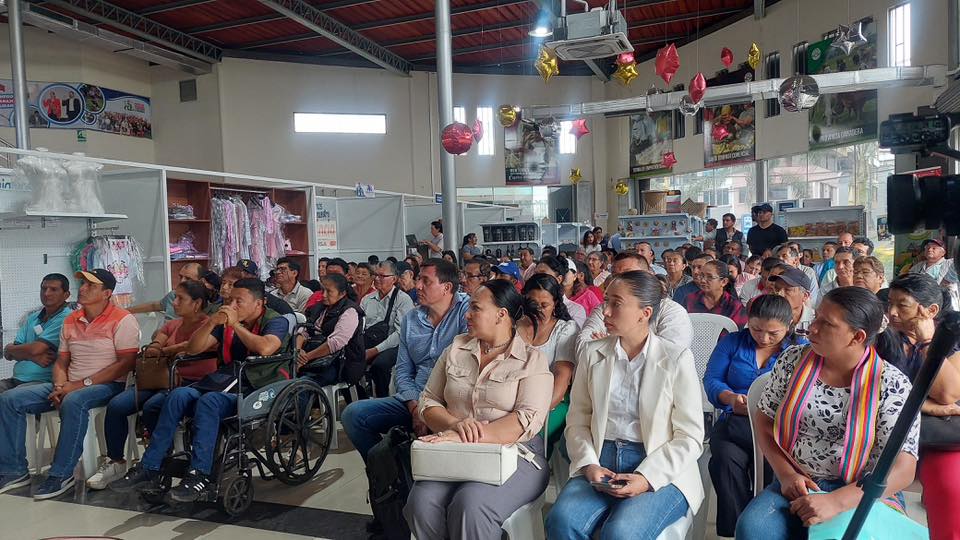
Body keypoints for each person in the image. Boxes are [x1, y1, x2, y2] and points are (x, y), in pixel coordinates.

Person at [736, 287, 920, 540]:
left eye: (827, 324)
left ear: (857, 336)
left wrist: (837, 501)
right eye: (816, 318)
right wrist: (787, 475)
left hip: (862, 490)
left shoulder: (891, 384)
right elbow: (764, 420)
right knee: (753, 530)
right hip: (799, 481)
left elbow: (904, 468)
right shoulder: (793, 360)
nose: (812, 328)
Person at [546, 271, 704, 540]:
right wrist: (588, 465)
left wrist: (646, 477)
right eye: (605, 301)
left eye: (616, 304)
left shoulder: (675, 358)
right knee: (561, 521)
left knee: (622, 533)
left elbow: (690, 436)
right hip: (601, 459)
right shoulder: (593, 353)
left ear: (645, 313)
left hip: (658, 462)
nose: (605, 312)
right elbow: (578, 421)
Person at [110, 278, 289, 500]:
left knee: (209, 401)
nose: (231, 305)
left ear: (258, 303)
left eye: (239, 301)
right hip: (224, 383)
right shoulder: (224, 323)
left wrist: (235, 325)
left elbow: (266, 348)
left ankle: (200, 474)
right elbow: (194, 349)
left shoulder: (276, 321)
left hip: (257, 387)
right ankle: (150, 466)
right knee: (177, 395)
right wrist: (211, 323)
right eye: (230, 300)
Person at [404, 279, 552, 540]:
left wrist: (461, 435)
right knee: (421, 503)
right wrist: (453, 425)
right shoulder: (456, 349)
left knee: (471, 505)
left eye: (475, 308)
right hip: (455, 452)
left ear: (501, 315)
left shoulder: (531, 360)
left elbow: (525, 420)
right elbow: (428, 401)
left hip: (515, 454)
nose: (467, 315)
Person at [0, 269, 139, 499]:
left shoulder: (123, 319)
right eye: (82, 284)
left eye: (90, 286)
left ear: (106, 293)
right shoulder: (71, 320)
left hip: (108, 384)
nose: (82, 289)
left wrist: (78, 385)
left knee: (74, 401)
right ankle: (14, 470)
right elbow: (61, 361)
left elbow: (125, 364)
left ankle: (61, 474)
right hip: (69, 384)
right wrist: (59, 386)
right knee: (9, 399)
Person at [89, 280, 217, 490]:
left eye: (180, 299)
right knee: (117, 405)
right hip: (158, 379)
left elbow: (192, 347)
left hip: (188, 383)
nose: (174, 303)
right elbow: (157, 341)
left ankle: (159, 461)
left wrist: (166, 349)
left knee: (152, 406)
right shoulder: (173, 324)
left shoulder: (209, 326)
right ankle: (115, 460)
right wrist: (158, 346)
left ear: (197, 303)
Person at [341, 259, 469, 463]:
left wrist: (431, 411)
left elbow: (465, 366)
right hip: (416, 398)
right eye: (418, 279)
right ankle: (389, 470)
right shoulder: (412, 318)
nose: (418, 286)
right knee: (353, 415)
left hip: (451, 403)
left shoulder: (466, 312)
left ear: (446, 287)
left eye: (426, 281)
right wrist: (415, 407)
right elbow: (402, 370)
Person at [704, 295, 808, 537]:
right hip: (735, 421)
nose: (763, 338)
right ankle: (738, 529)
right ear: (748, 322)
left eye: (773, 333)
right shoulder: (733, 342)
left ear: (789, 326)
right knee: (724, 460)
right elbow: (712, 379)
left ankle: (767, 524)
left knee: (776, 467)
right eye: (756, 329)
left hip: (778, 429)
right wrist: (730, 398)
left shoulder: (799, 351)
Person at [882, 274, 960, 540]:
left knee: (951, 487)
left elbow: (947, 394)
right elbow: (873, 392)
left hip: (934, 437)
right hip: (885, 432)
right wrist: (927, 406)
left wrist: (928, 343)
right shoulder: (882, 338)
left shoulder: (952, 339)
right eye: (890, 303)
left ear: (931, 311)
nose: (892, 312)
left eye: (902, 305)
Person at [579, 252, 693, 350]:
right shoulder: (604, 309)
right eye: (615, 276)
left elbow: (670, 355)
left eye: (629, 275)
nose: (620, 281)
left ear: (649, 275)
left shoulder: (672, 311)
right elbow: (583, 346)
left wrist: (608, 345)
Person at [519, 274, 578, 454]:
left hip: (553, 401)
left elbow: (562, 377)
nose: (538, 310)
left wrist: (536, 411)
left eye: (544, 305)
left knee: (526, 436)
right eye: (533, 304)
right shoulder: (516, 326)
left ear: (555, 304)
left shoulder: (566, 329)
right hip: (518, 399)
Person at [1, 274, 72, 393]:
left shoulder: (66, 318)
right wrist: (28, 355)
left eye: (53, 289)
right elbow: (9, 355)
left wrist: (13, 349)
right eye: (44, 288)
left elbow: (36, 349)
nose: (46, 293)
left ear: (66, 295)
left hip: (43, 382)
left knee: (8, 398)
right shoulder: (33, 317)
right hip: (16, 380)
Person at [299, 274, 366, 390]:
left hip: (339, 363)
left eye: (329, 291)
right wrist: (298, 351)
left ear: (342, 293)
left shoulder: (350, 311)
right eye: (322, 290)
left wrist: (306, 358)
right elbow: (303, 331)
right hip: (312, 357)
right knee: (283, 374)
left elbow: (335, 343)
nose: (324, 295)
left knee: (303, 384)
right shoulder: (319, 307)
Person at [360, 261, 416, 398]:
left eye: (382, 276)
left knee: (380, 364)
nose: (377, 279)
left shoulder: (403, 300)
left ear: (394, 279)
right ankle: (360, 399)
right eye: (376, 275)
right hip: (370, 340)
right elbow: (360, 327)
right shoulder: (367, 299)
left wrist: (374, 351)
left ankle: (382, 399)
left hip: (395, 344)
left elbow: (400, 333)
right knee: (348, 362)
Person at [682, 260, 747, 328]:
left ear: (724, 282)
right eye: (702, 276)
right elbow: (682, 326)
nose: (703, 280)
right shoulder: (690, 299)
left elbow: (738, 332)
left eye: (710, 277)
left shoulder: (735, 307)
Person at [128, 262, 203, 320]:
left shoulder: (203, 302)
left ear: (201, 281)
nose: (182, 281)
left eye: (188, 278)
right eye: (181, 277)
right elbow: (154, 306)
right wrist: (126, 311)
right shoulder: (173, 295)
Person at [535, 256, 588, 328]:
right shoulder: (529, 304)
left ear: (559, 279)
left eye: (543, 274)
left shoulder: (575, 310)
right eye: (535, 274)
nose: (537, 278)